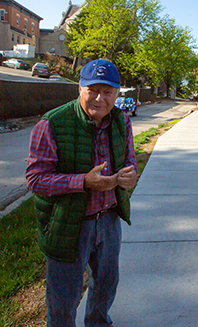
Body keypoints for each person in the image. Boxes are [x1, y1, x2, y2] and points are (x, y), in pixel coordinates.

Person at [26, 58, 137, 327]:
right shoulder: (52, 123)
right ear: (80, 88)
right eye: (93, 90)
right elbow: (35, 179)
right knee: (64, 300)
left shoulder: (122, 121)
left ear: (117, 93)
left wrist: (129, 175)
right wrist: (84, 182)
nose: (100, 99)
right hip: (68, 224)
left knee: (105, 288)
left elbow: (130, 161)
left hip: (109, 220)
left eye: (108, 92)